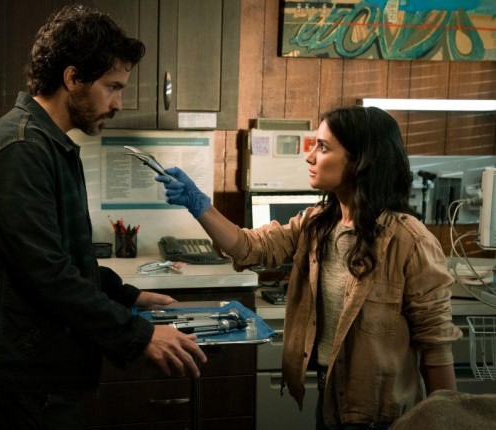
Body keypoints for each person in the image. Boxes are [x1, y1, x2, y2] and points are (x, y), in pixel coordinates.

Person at [0, 4, 206, 429]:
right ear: (73, 78)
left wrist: (126, 296)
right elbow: (49, 275)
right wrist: (138, 335)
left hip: (42, 367)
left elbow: (67, 258)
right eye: (112, 87)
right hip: (25, 374)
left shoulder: (49, 143)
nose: (119, 103)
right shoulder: (20, 148)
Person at [155, 106, 462, 429]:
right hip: (330, 402)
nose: (310, 157)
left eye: (323, 147)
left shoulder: (410, 241)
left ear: (361, 161)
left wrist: (449, 422)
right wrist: (199, 205)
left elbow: (436, 347)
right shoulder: (316, 223)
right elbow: (249, 247)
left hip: (385, 417)